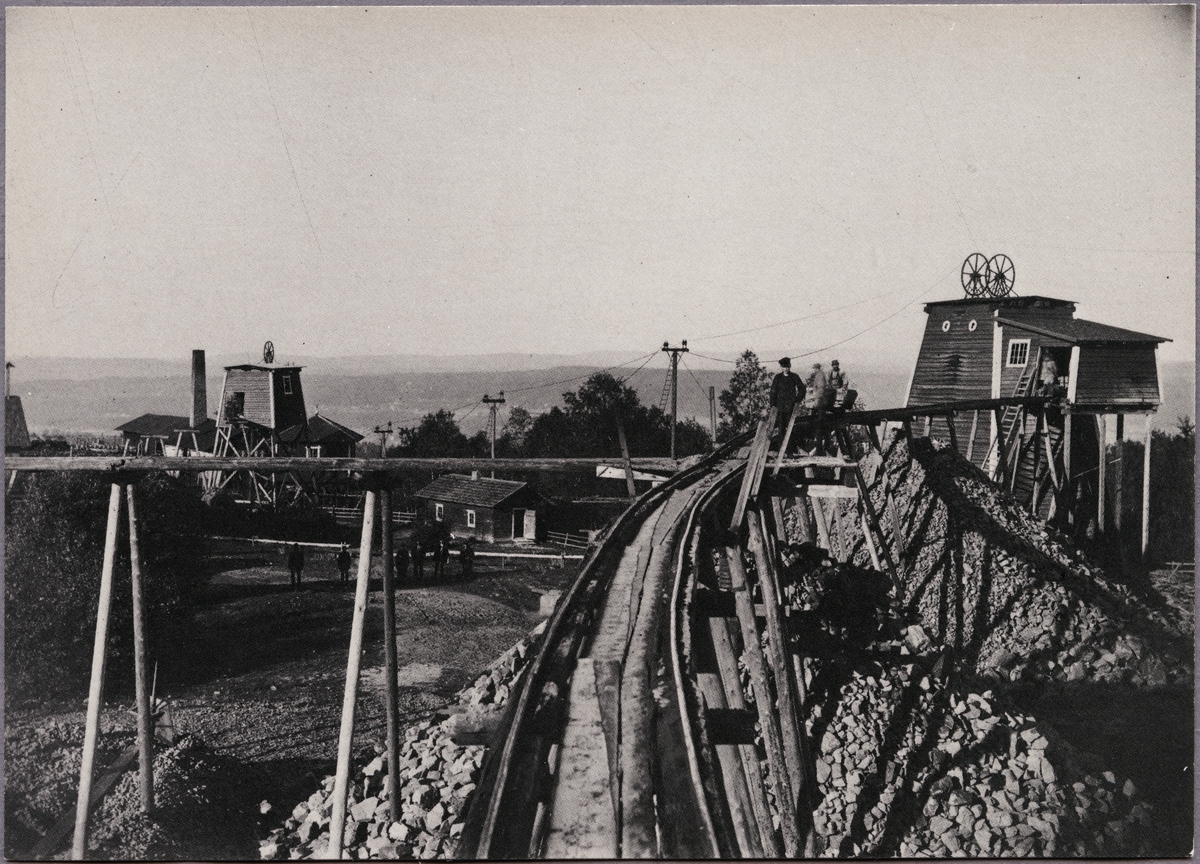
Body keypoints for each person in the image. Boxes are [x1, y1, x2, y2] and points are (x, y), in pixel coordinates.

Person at [768, 356, 805, 446]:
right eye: (784, 367)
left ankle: (790, 449)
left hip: (791, 408)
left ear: (790, 366)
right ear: (781, 367)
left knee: (790, 428)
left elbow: (802, 389)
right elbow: (773, 392)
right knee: (781, 428)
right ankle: (780, 449)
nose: (786, 369)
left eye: (787, 367)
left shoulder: (794, 377)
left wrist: (797, 400)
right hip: (780, 408)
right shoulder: (778, 377)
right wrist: (773, 405)